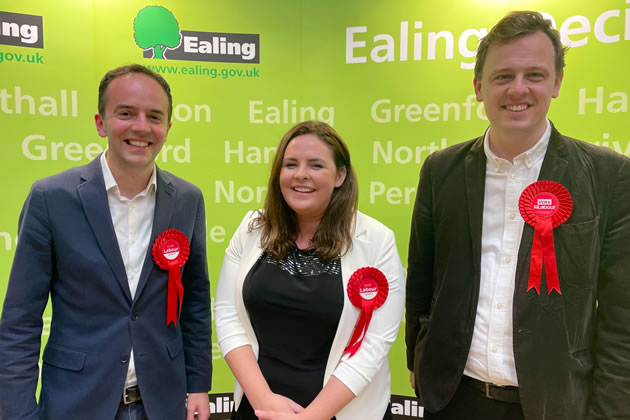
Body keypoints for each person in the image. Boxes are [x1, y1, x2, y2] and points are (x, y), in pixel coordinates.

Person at [405, 10, 630, 420]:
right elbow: (421, 279)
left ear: (557, 83)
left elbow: (622, 315)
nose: (518, 89)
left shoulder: (609, 175)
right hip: (454, 398)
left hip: (558, 404)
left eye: (535, 75)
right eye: (503, 76)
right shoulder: (441, 171)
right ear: (478, 87)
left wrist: (611, 410)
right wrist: (417, 363)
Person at [0, 64, 213, 420]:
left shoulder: (187, 200)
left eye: (154, 116)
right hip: (76, 404)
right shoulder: (51, 198)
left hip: (162, 403)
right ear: (100, 123)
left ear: (168, 129)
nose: (142, 127)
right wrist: (18, 412)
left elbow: (193, 303)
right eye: (126, 113)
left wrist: (199, 385)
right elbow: (21, 320)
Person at [215, 120, 404, 420]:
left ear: (340, 175)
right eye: (290, 164)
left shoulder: (377, 240)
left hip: (340, 412)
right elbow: (227, 315)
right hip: (261, 409)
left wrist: (309, 418)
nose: (301, 174)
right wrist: (263, 400)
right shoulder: (252, 227)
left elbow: (374, 344)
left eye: (316, 165)